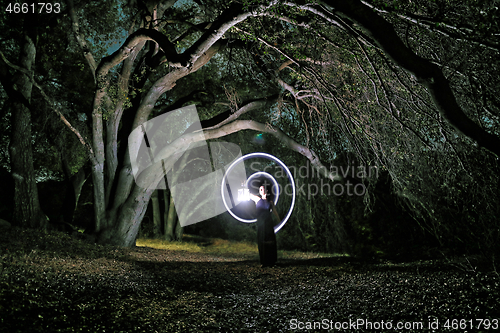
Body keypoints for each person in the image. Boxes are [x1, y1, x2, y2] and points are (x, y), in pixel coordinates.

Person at [249, 182, 281, 267]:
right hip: (261, 224)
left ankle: (272, 262)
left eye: (263, 189)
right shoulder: (257, 199)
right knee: (262, 242)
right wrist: (243, 184)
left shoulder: (270, 202)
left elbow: (275, 212)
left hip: (269, 224)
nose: (261, 190)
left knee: (270, 242)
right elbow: (247, 194)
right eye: (260, 189)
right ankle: (264, 262)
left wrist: (279, 221)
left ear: (266, 191)